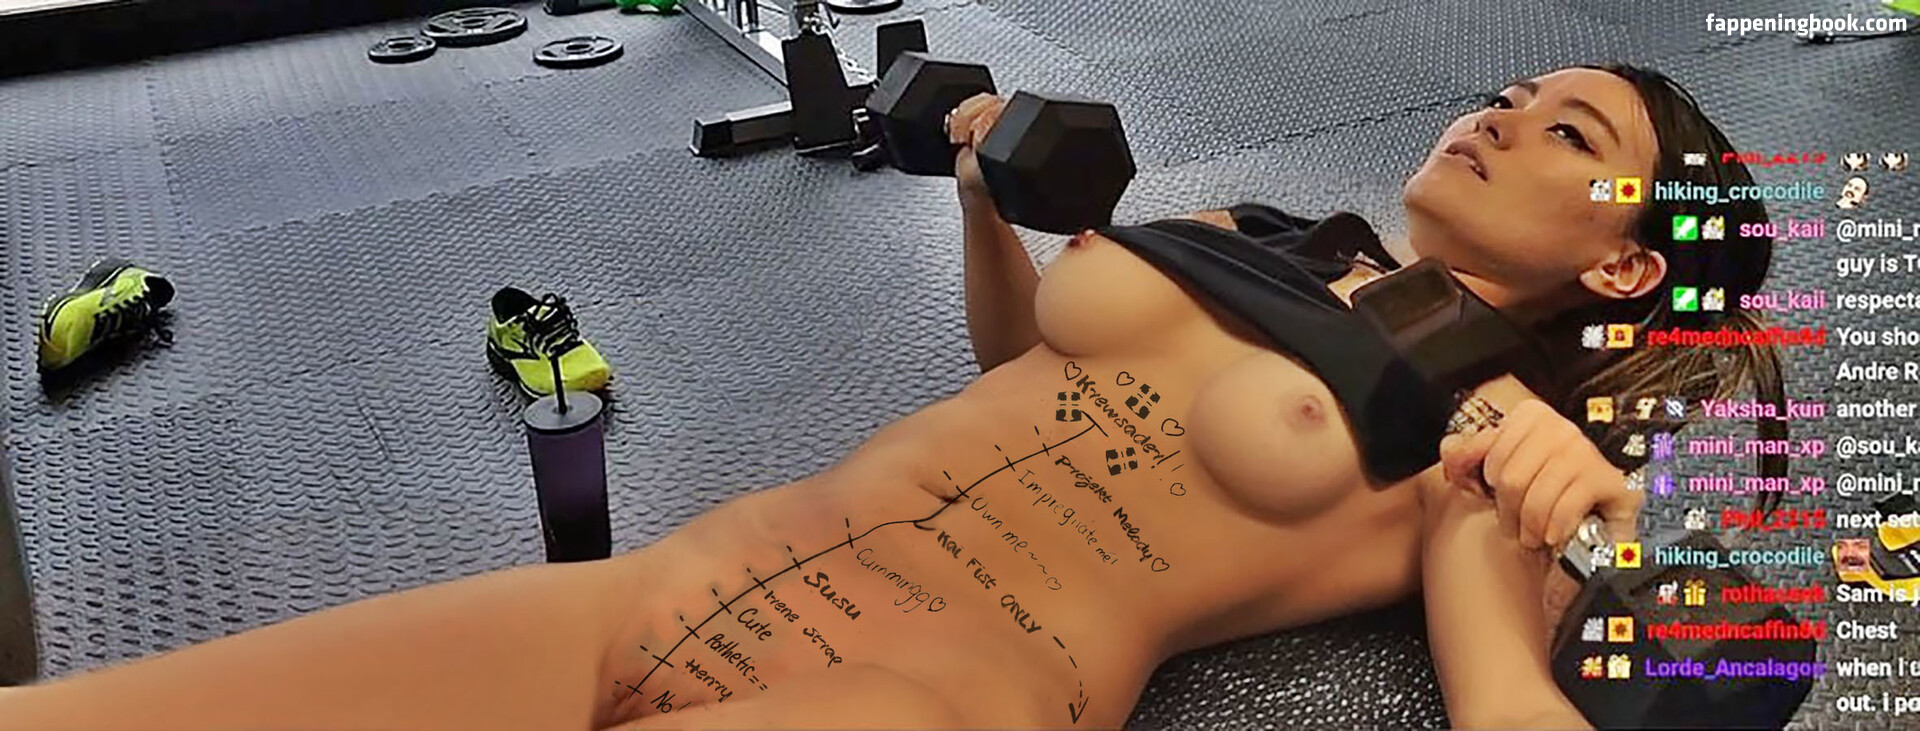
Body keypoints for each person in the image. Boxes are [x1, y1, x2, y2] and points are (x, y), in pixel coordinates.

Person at [0, 64, 1784, 731]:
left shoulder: (1493, 446)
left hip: (930, 690)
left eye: (1568, 132)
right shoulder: (1252, 235)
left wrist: (1608, 526)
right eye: (1513, 91)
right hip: (686, 576)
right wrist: (986, 205)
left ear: (1629, 268)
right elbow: (1025, 372)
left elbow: (1512, 704)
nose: (1499, 113)